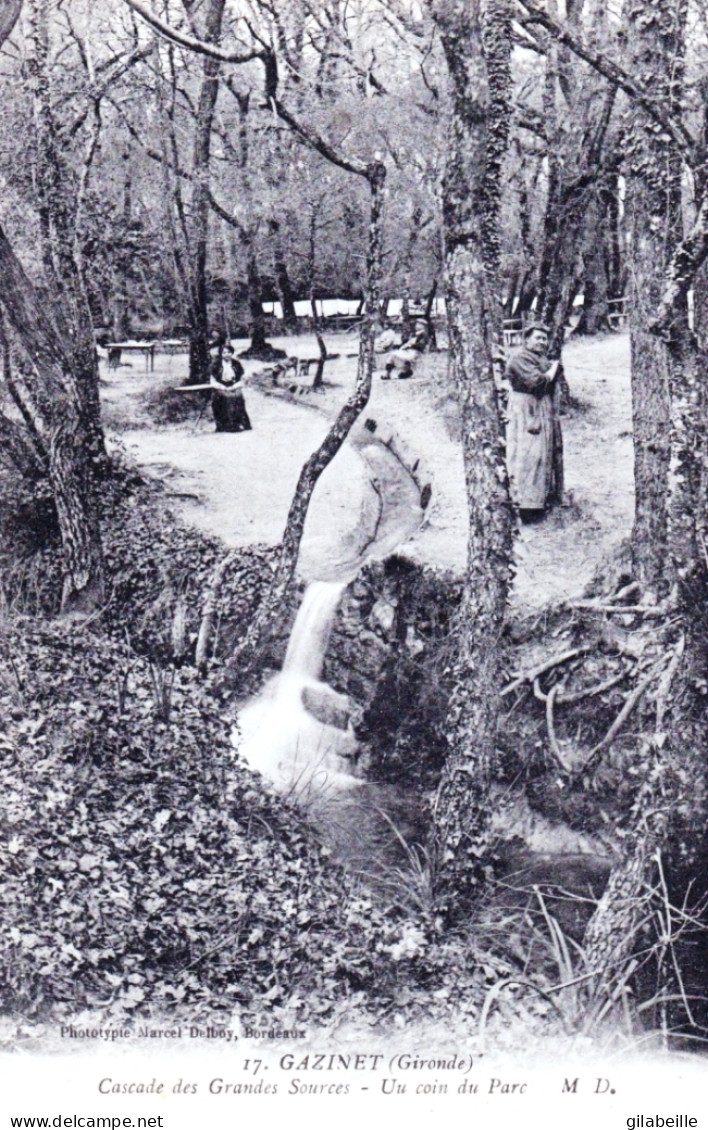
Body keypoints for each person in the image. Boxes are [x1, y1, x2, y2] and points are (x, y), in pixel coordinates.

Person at [504, 323, 562, 520]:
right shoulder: (519, 358)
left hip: (540, 409)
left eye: (544, 339)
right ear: (526, 340)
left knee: (542, 455)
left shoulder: (539, 358)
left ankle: (540, 500)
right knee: (528, 455)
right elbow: (537, 383)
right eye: (537, 338)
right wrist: (553, 369)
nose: (541, 342)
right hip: (526, 410)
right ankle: (525, 506)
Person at [209, 344, 252, 432]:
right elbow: (213, 380)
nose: (227, 354)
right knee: (227, 397)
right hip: (220, 386)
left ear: (232, 353)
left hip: (234, 385)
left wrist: (234, 386)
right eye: (224, 352)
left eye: (229, 352)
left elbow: (241, 379)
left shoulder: (236, 363)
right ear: (221, 354)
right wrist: (222, 387)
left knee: (238, 395)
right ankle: (228, 425)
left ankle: (241, 423)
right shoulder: (216, 364)